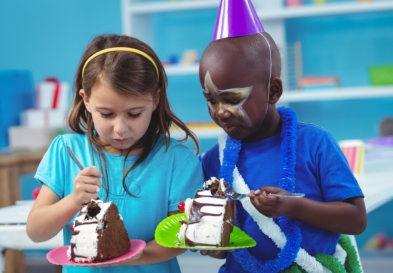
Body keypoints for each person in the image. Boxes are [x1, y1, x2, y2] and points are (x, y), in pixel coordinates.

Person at [197, 0, 367, 272]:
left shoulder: (315, 143)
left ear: (273, 91)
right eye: (211, 100)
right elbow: (219, 245)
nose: (220, 112)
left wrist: (292, 207)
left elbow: (356, 220)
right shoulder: (213, 160)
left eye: (232, 99)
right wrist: (209, 241)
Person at [26, 34, 204, 273]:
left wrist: (127, 258)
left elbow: (179, 238)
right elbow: (36, 231)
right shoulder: (65, 151)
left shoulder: (177, 160)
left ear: (155, 99)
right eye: (107, 114)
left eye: (134, 114)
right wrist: (73, 200)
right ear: (86, 101)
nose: (120, 128)